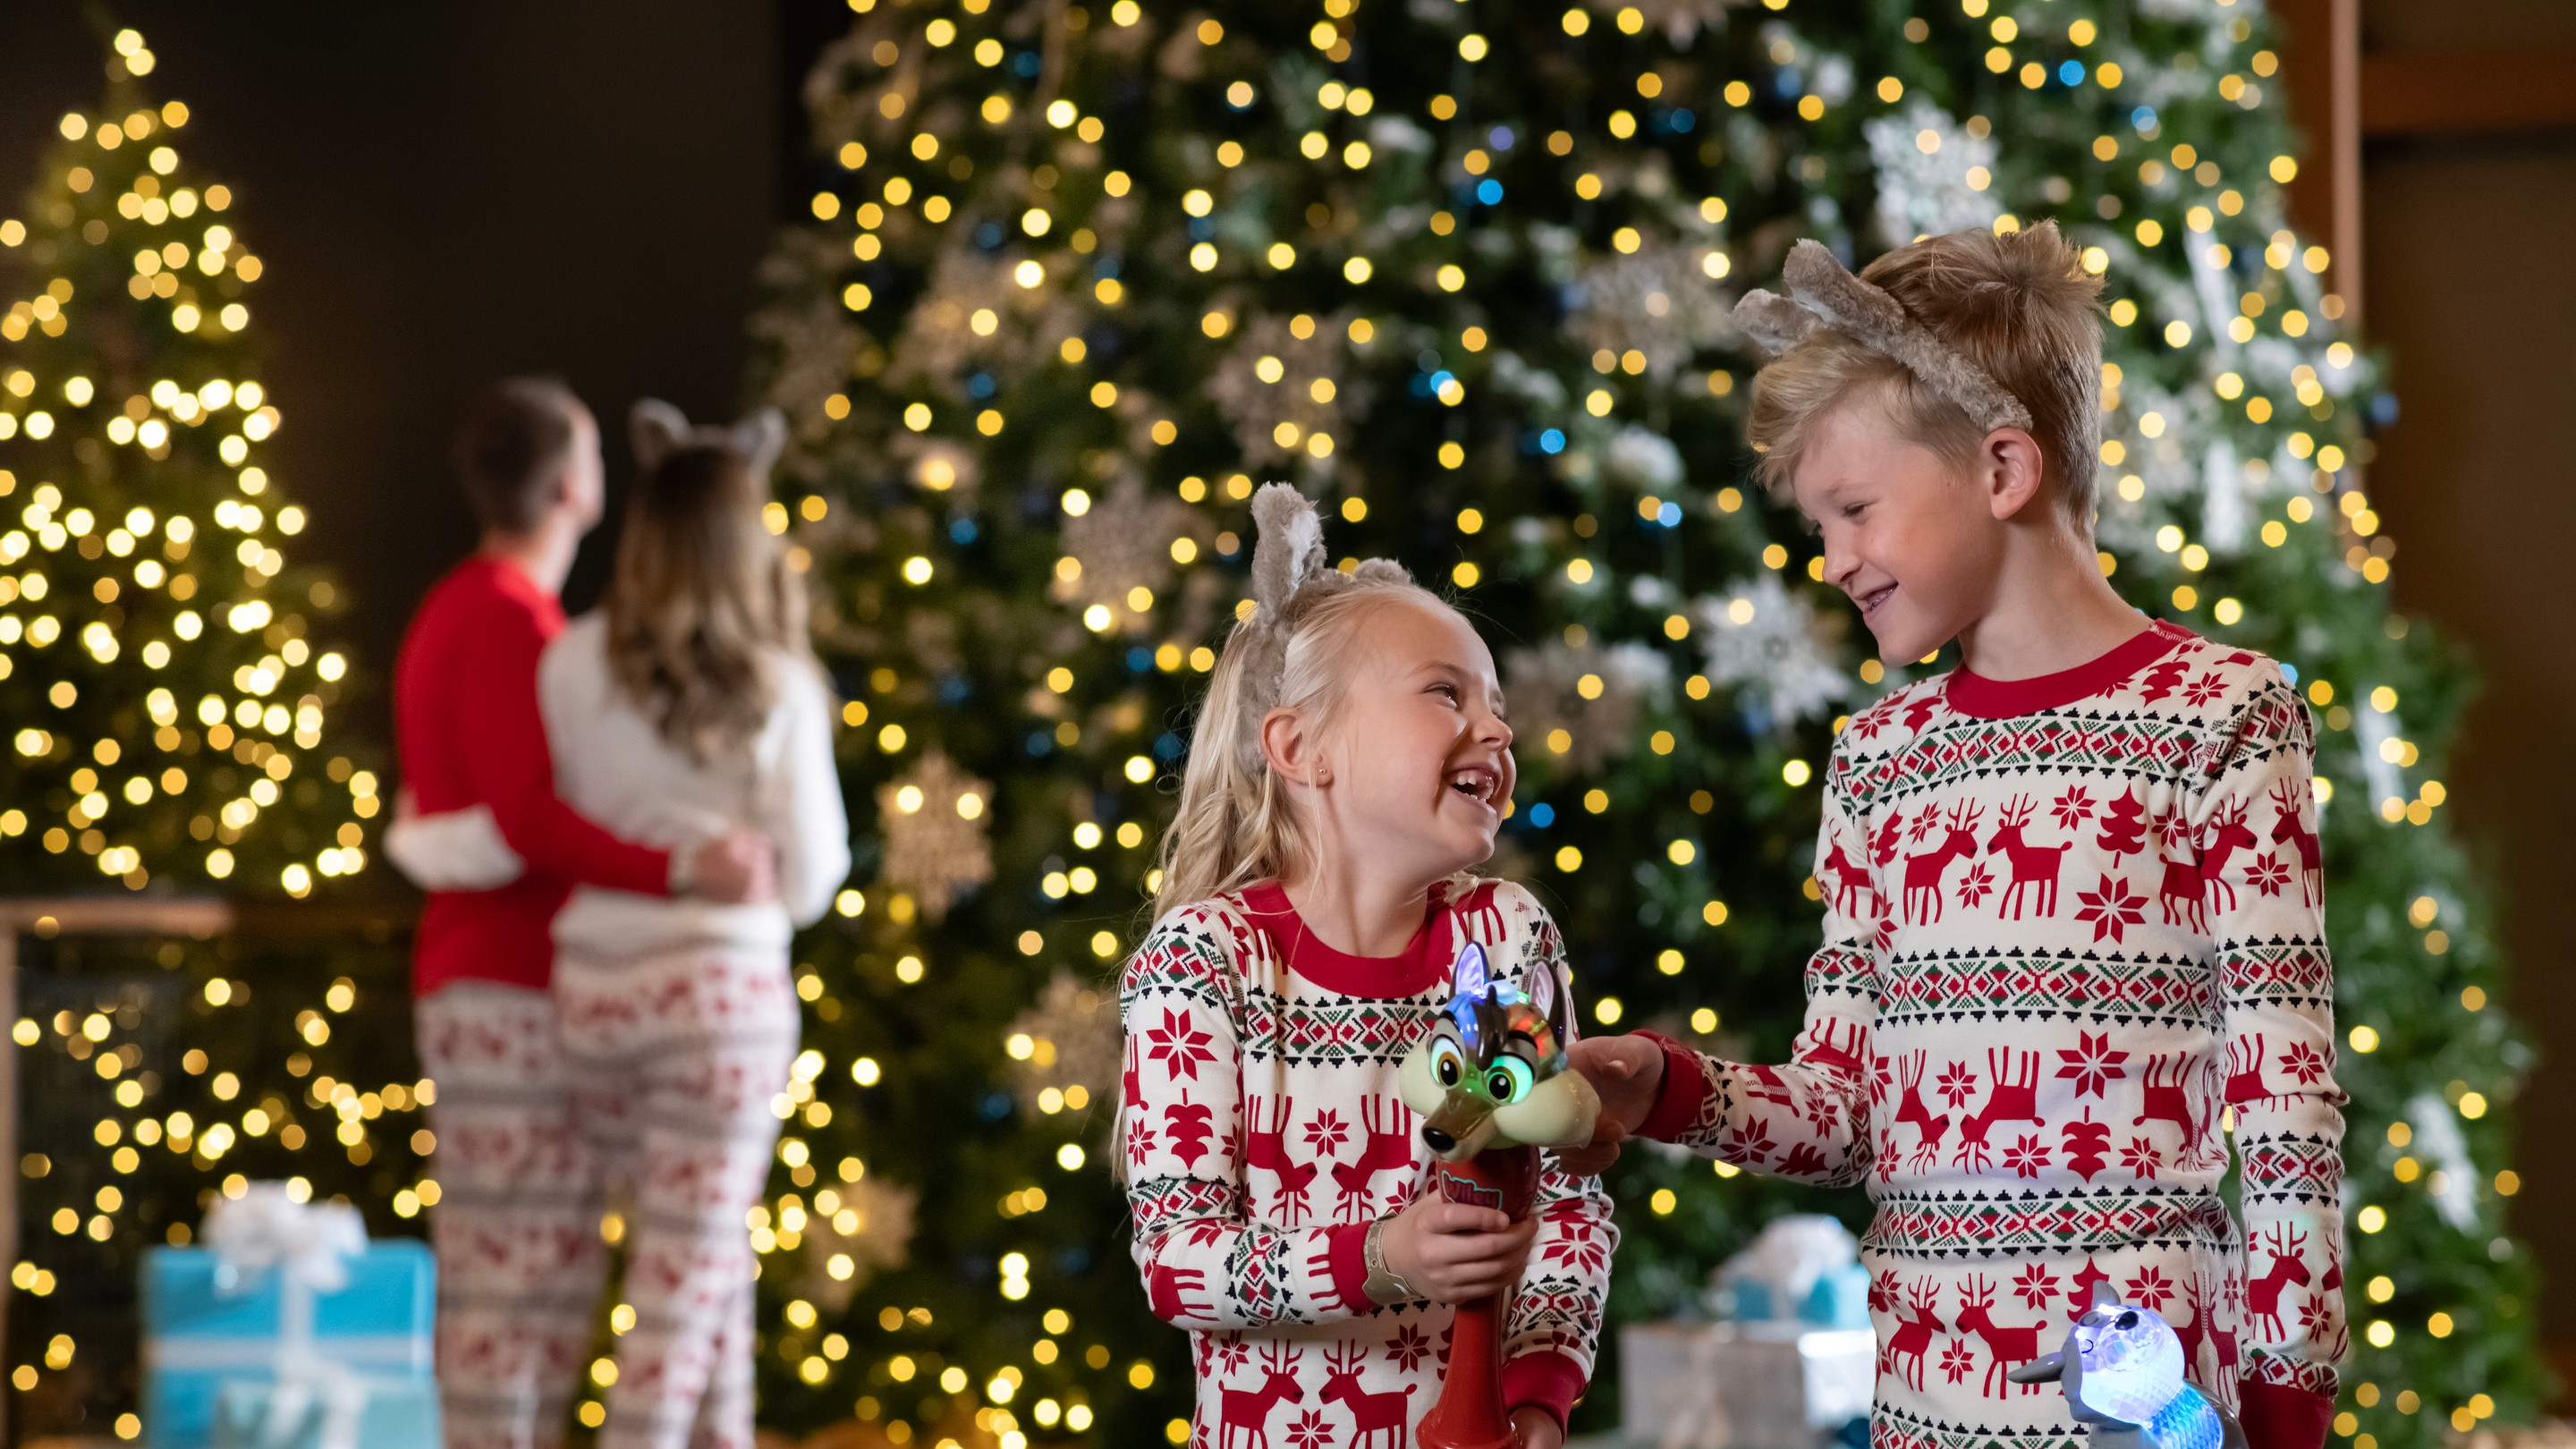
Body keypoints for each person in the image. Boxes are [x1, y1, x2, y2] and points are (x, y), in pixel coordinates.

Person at [1572, 225, 2346, 1449]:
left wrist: (2291, 1396)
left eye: (1855, 510)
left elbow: (2287, 1099)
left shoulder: (2222, 718)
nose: (1833, 561)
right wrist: (1673, 1089)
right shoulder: (1881, 762)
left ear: (2001, 470)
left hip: (2142, 1414)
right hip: (1923, 1413)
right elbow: (1846, 1115)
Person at [1119, 485, 1613, 1449]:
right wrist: (1385, 1257)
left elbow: (1564, 1207)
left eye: (1498, 705)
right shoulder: (1204, 962)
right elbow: (1178, 1265)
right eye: (1446, 692)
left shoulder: (1502, 940)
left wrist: (1539, 1399)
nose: (1500, 730)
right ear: (1302, 749)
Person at [395, 400, 848, 1448]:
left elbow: (522, 810)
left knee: (694, 1266)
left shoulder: (564, 655)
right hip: (697, 1006)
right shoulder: (770, 684)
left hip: (590, 999)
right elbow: (810, 876)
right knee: (677, 1285)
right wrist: (701, 867)